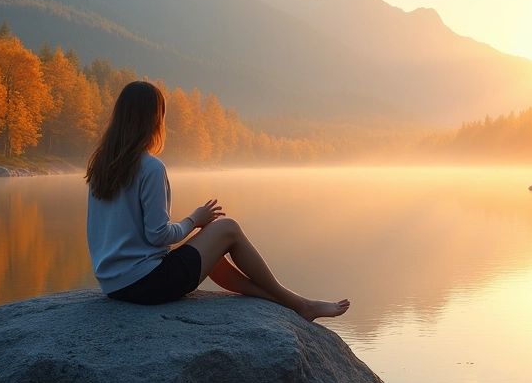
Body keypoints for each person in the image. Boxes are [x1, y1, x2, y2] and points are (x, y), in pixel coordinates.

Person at [85, 81, 349, 322]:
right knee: (227, 228)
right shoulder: (150, 167)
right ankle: (300, 304)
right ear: (154, 120)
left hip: (115, 287)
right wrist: (193, 220)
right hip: (149, 285)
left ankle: (290, 302)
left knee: (213, 255)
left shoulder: (101, 166)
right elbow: (158, 235)